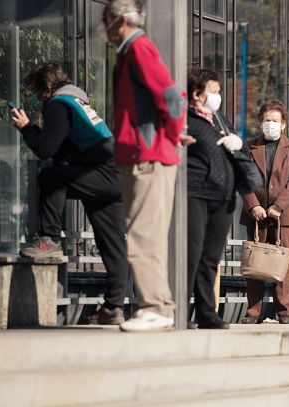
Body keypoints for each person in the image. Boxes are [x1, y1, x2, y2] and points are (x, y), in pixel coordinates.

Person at [10, 63, 129, 326]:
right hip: (115, 174)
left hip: (104, 172)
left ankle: (49, 238)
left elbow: (45, 149)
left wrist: (26, 127)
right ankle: (113, 306)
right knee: (112, 243)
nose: (36, 96)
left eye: (37, 91)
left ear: (48, 88)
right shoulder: (77, 102)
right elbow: (61, 148)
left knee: (50, 177)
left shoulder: (59, 105)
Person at [103, 0, 191, 331]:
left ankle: (154, 306)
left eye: (106, 18)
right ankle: (160, 306)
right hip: (146, 154)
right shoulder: (130, 51)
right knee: (148, 234)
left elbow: (170, 94)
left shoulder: (138, 48)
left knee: (142, 234)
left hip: (147, 156)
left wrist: (171, 133)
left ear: (118, 19)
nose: (104, 26)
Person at [185, 68, 245, 329]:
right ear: (197, 93)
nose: (218, 97)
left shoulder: (219, 120)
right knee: (191, 253)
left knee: (210, 257)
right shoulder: (185, 118)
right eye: (214, 92)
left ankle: (206, 312)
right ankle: (178, 309)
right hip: (195, 192)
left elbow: (233, 147)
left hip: (224, 196)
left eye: (219, 92)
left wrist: (238, 142)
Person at [239, 100, 289, 324]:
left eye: (275, 121)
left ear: (283, 124)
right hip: (256, 216)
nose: (271, 124)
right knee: (254, 264)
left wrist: (278, 206)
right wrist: (253, 205)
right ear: (260, 122)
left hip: (283, 216)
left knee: (282, 265)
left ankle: (284, 312)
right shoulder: (250, 147)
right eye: (267, 120)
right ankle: (253, 311)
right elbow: (243, 179)